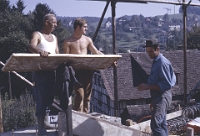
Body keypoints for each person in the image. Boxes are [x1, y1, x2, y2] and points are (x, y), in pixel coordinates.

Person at [63, 18, 103, 113]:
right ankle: (77, 116)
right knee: (80, 95)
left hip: (88, 69)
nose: (86, 29)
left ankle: (85, 116)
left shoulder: (87, 40)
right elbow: (66, 59)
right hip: (76, 72)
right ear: (78, 27)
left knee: (87, 96)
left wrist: (109, 59)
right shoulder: (68, 41)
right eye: (84, 27)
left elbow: (96, 52)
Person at [28, 13, 59, 136]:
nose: (56, 25)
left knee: (49, 99)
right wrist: (40, 51)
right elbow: (31, 46)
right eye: (54, 22)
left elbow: (57, 53)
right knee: (41, 99)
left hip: (51, 71)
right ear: (46, 22)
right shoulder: (38, 35)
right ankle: (40, 127)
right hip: (40, 71)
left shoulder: (55, 37)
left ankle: (45, 123)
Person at [138, 40, 176, 136]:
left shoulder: (162, 63)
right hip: (158, 97)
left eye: (151, 51)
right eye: (147, 51)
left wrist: (147, 86)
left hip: (163, 96)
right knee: (162, 123)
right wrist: (154, 100)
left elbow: (167, 85)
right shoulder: (156, 62)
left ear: (157, 49)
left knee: (155, 124)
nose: (149, 54)